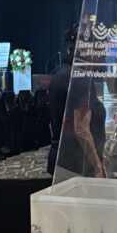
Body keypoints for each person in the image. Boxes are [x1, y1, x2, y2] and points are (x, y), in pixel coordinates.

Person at [47, 26, 76, 175]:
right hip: (70, 162)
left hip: (63, 158)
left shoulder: (63, 74)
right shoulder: (73, 78)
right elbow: (79, 128)